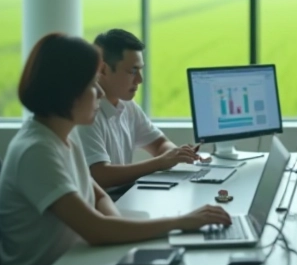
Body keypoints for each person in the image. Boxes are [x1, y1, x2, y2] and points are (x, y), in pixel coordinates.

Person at [0, 33, 231, 265]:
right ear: (67, 92)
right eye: (91, 84)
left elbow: (97, 196)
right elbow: (95, 229)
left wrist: (117, 225)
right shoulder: (36, 151)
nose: (99, 92)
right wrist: (181, 222)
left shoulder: (64, 138)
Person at [76, 29, 202, 191]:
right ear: (103, 69)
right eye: (133, 71)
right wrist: (160, 162)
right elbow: (100, 175)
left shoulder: (127, 105)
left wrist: (175, 155)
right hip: (109, 201)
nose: (140, 79)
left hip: (124, 195)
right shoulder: (86, 114)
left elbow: (160, 143)